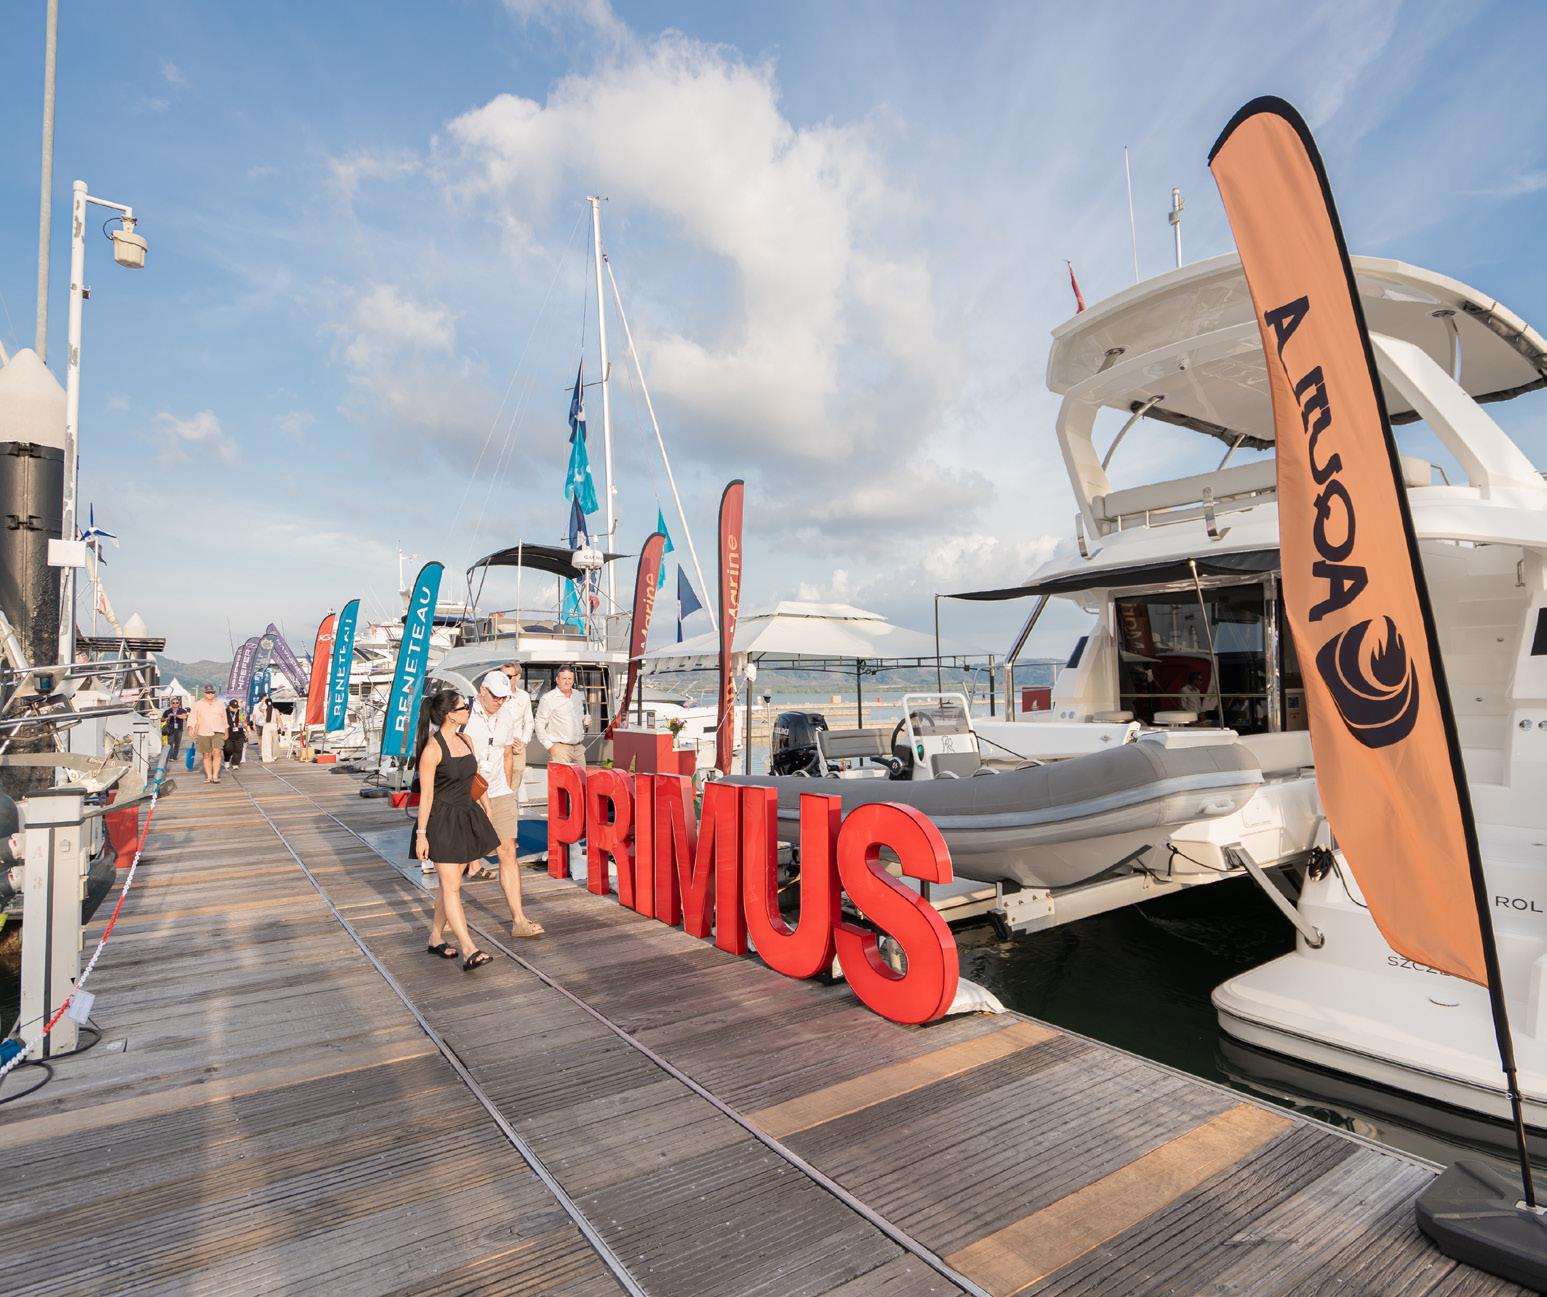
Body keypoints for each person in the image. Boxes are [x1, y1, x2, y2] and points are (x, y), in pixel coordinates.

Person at [414, 690, 498, 971]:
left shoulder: (466, 740)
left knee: (449, 885)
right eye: (464, 707)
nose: (468, 710)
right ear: (450, 714)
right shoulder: (432, 749)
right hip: (442, 822)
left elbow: (473, 778)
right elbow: (426, 796)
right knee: (452, 888)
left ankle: (435, 937)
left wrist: (487, 806)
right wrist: (421, 835)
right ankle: (469, 949)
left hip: (466, 816)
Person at [466, 670, 543, 939]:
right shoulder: (465, 715)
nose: (500, 702)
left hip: (499, 792)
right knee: (455, 859)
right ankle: (443, 919)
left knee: (508, 851)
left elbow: (507, 753)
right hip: (468, 794)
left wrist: (508, 789)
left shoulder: (507, 715)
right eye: (496, 697)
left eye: (504, 698)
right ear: (482, 691)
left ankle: (518, 920)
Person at [535, 665, 589, 765]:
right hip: (560, 749)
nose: (567, 682)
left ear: (573, 680)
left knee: (582, 775)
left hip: (578, 748)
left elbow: (579, 716)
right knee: (562, 776)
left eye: (570, 679)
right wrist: (549, 747)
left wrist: (585, 720)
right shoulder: (548, 698)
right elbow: (539, 724)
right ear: (557, 680)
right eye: (564, 678)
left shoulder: (577, 694)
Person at [187, 685, 229, 784]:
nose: (210, 694)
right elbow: (192, 718)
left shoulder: (220, 704)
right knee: (206, 755)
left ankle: (215, 776)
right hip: (203, 731)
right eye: (208, 692)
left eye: (212, 692)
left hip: (218, 731)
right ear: (204, 693)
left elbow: (224, 718)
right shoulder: (198, 704)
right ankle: (209, 776)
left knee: (217, 752)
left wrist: (226, 731)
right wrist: (190, 728)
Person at [224, 697, 248, 767]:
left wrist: (246, 730)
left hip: (239, 734)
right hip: (228, 733)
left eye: (236, 707)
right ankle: (227, 760)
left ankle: (235, 763)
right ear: (229, 706)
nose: (235, 709)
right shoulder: (224, 712)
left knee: (238, 749)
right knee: (228, 748)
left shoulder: (241, 712)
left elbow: (243, 723)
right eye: (233, 707)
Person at [257, 694, 278, 763]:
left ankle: (266, 757)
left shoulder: (265, 711)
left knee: (266, 743)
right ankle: (274, 756)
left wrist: (263, 701)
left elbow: (259, 708)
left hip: (266, 727)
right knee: (274, 742)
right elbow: (279, 719)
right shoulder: (275, 710)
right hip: (274, 726)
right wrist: (282, 728)